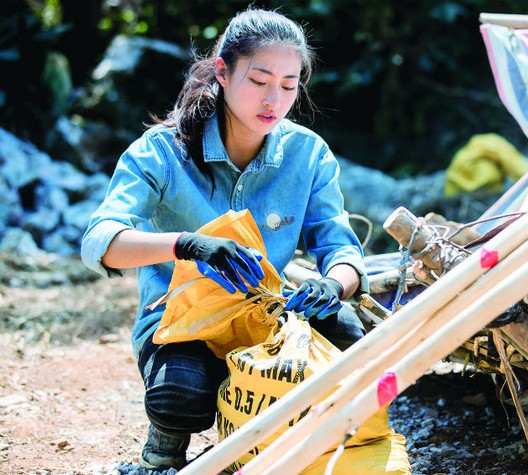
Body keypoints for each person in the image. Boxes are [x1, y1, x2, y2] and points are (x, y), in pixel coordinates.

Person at [80, 6, 368, 471]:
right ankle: (162, 454)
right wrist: (188, 245)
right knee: (180, 394)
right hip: (179, 324)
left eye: (289, 85)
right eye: (258, 81)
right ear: (222, 71)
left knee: (349, 330)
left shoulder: (308, 154)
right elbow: (101, 241)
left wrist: (334, 284)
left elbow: (342, 249)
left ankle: (314, 451)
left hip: (269, 319)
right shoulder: (160, 150)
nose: (273, 98)